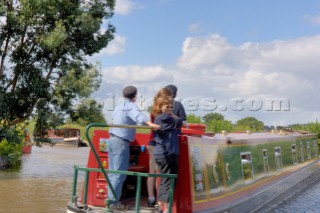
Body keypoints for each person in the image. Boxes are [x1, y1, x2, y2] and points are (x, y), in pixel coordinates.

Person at [108, 86, 160, 211]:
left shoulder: (119, 106)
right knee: (119, 174)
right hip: (121, 142)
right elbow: (138, 116)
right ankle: (113, 204)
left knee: (113, 173)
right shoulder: (130, 105)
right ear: (135, 97)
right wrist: (151, 124)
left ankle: (110, 201)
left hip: (112, 139)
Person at [152, 96, 183, 213]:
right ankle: (166, 208)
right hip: (167, 153)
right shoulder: (164, 118)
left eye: (171, 107)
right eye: (167, 106)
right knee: (169, 180)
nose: (170, 109)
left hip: (161, 153)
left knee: (163, 179)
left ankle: (161, 206)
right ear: (161, 107)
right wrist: (172, 114)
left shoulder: (158, 119)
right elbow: (180, 122)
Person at [147, 88, 173, 207]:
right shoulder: (162, 113)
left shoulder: (154, 110)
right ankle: (160, 202)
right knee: (160, 173)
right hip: (157, 145)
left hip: (151, 143)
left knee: (152, 172)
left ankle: (151, 197)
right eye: (170, 97)